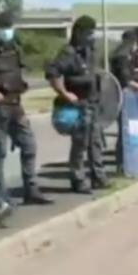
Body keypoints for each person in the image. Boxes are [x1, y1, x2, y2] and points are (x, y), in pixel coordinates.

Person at [0, 12, 50, 205]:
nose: (7, 31)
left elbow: (19, 71)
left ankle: (31, 189)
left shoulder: (14, 48)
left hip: (16, 105)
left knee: (29, 144)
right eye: (4, 27)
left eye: (10, 27)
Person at [46, 15, 110, 194]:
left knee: (96, 143)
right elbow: (52, 73)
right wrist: (64, 93)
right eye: (88, 32)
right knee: (80, 145)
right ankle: (78, 179)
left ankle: (99, 177)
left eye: (93, 32)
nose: (92, 36)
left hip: (93, 104)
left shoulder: (89, 51)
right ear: (79, 33)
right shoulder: (68, 53)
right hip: (79, 106)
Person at [110, 30, 138, 173]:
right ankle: (122, 163)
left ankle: (133, 160)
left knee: (132, 130)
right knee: (125, 130)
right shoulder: (121, 56)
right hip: (124, 96)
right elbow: (126, 80)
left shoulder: (127, 55)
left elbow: (133, 75)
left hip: (130, 97)